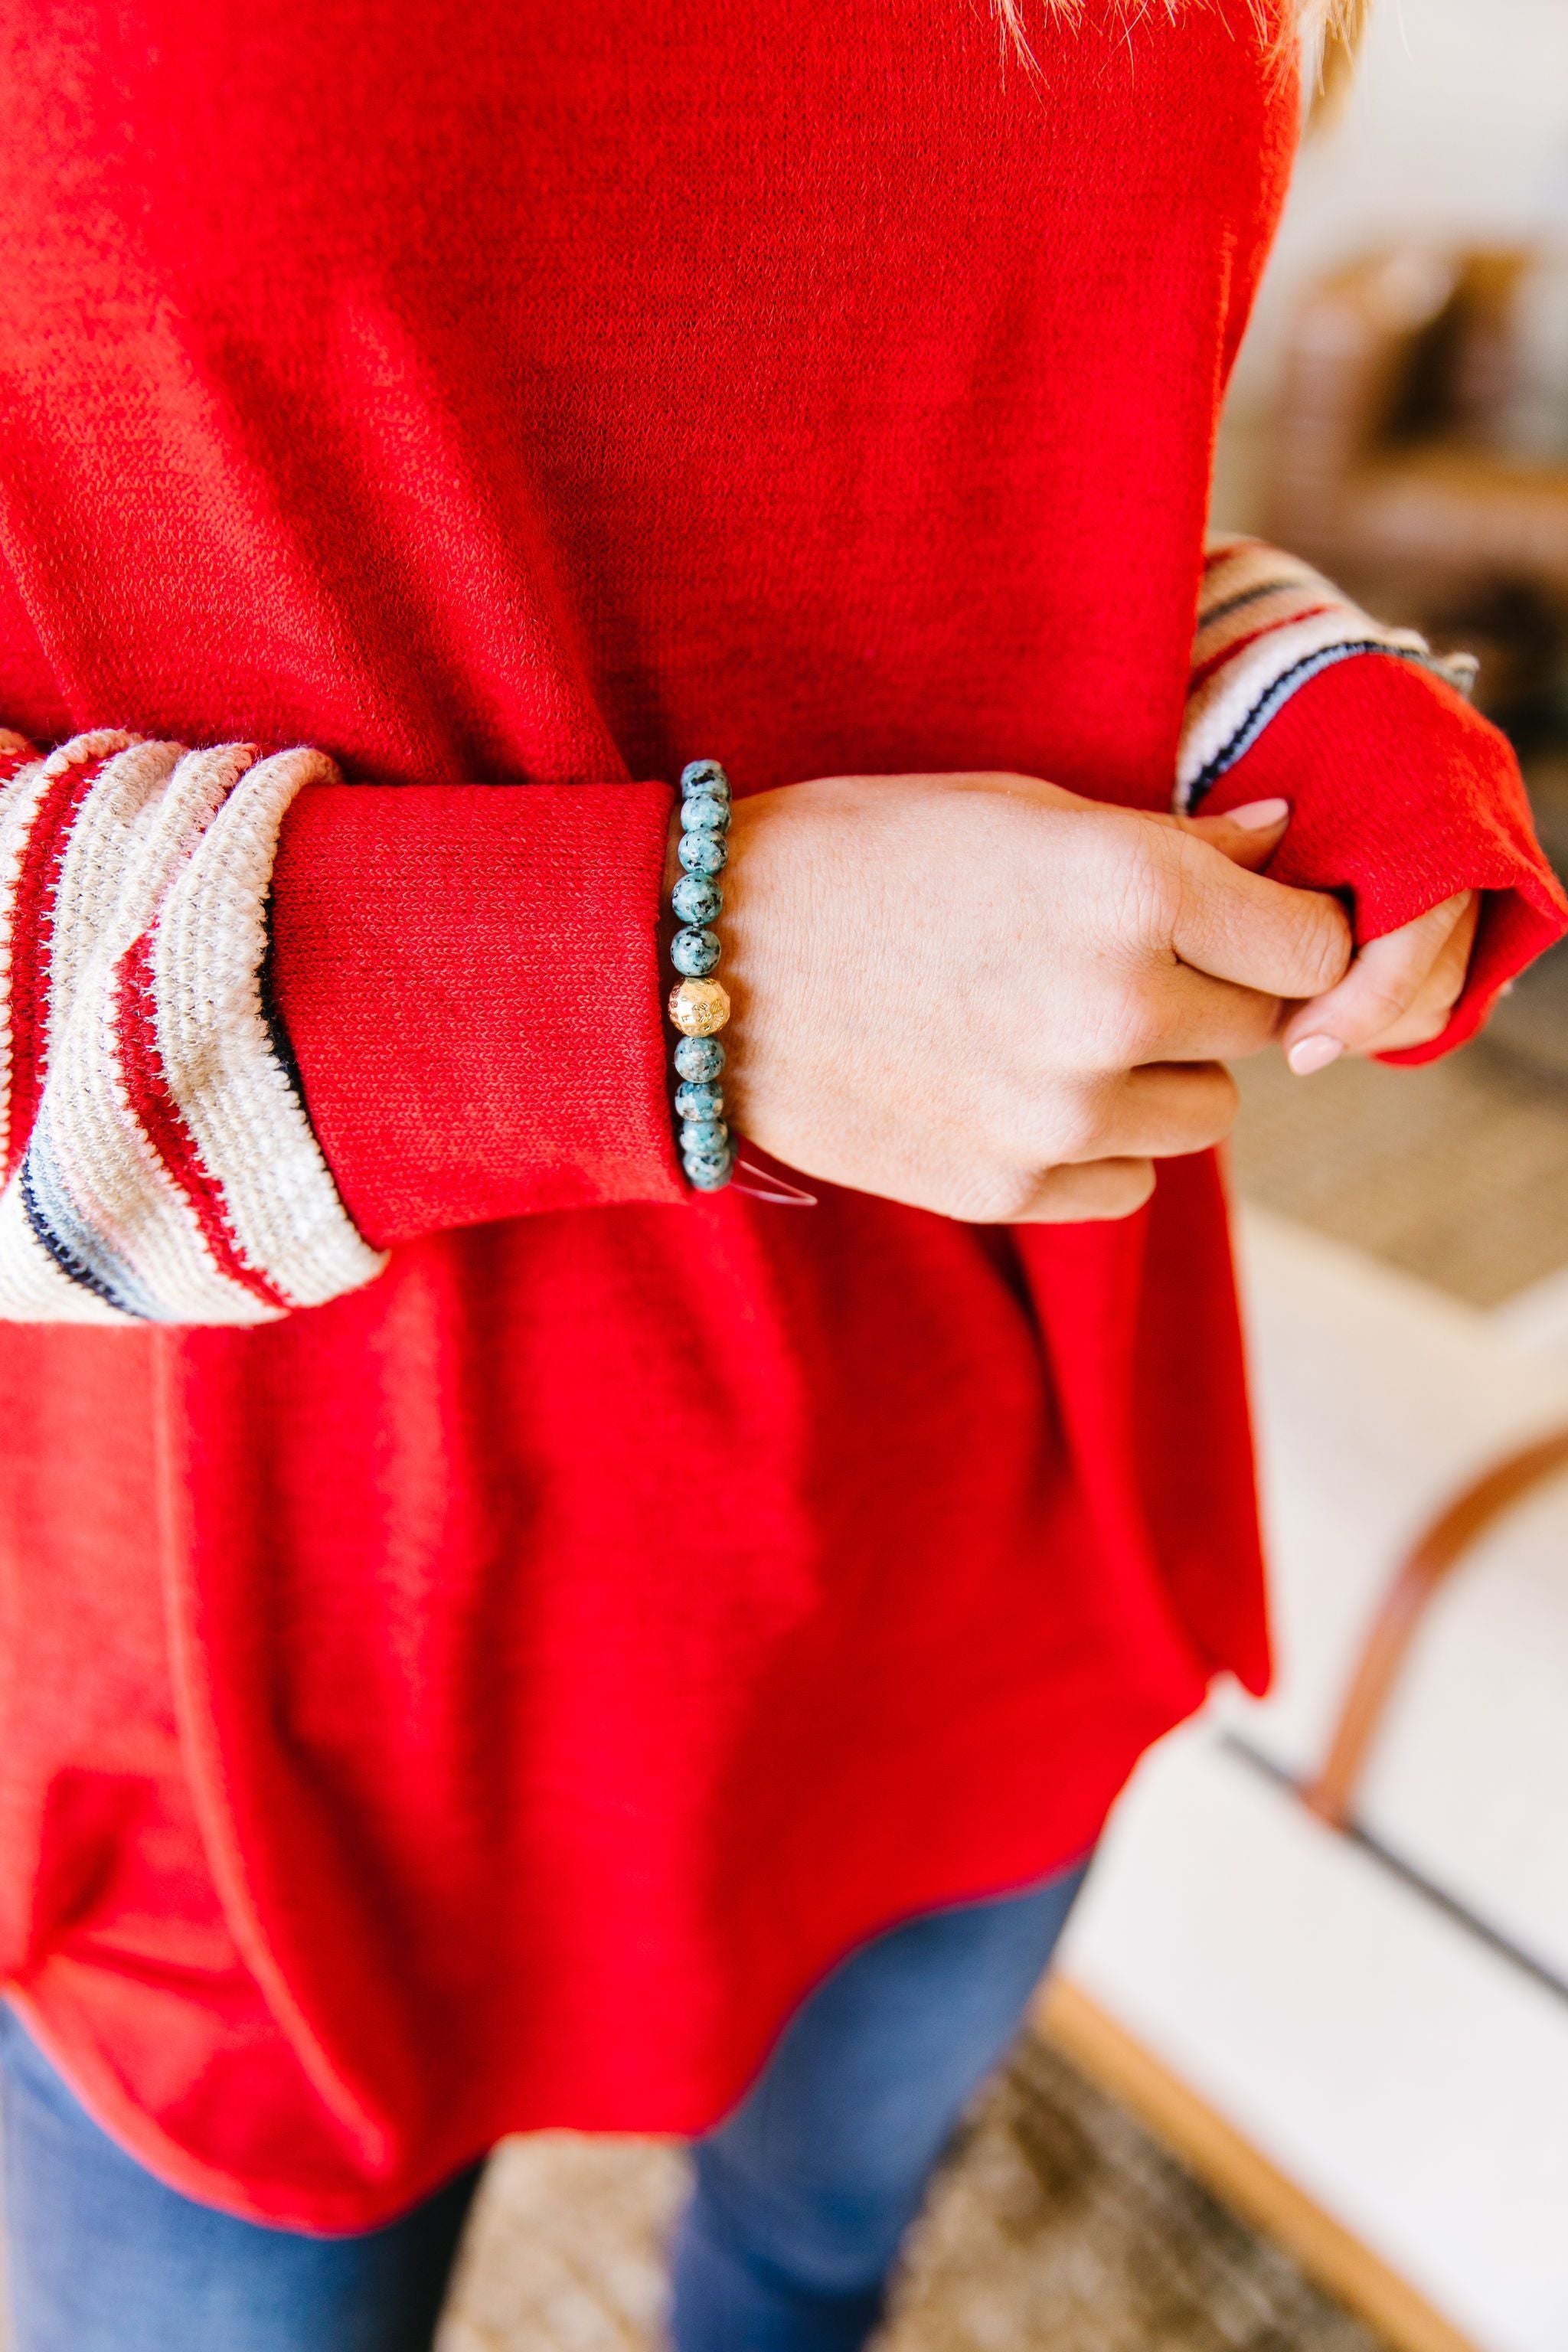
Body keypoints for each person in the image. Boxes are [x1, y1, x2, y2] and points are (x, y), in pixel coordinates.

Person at [0, 1, 1560, 2346]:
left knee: (812, 2276)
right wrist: (686, 971)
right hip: (283, 1637)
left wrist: (1280, 703)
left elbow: (972, 503)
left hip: (974, 1527)